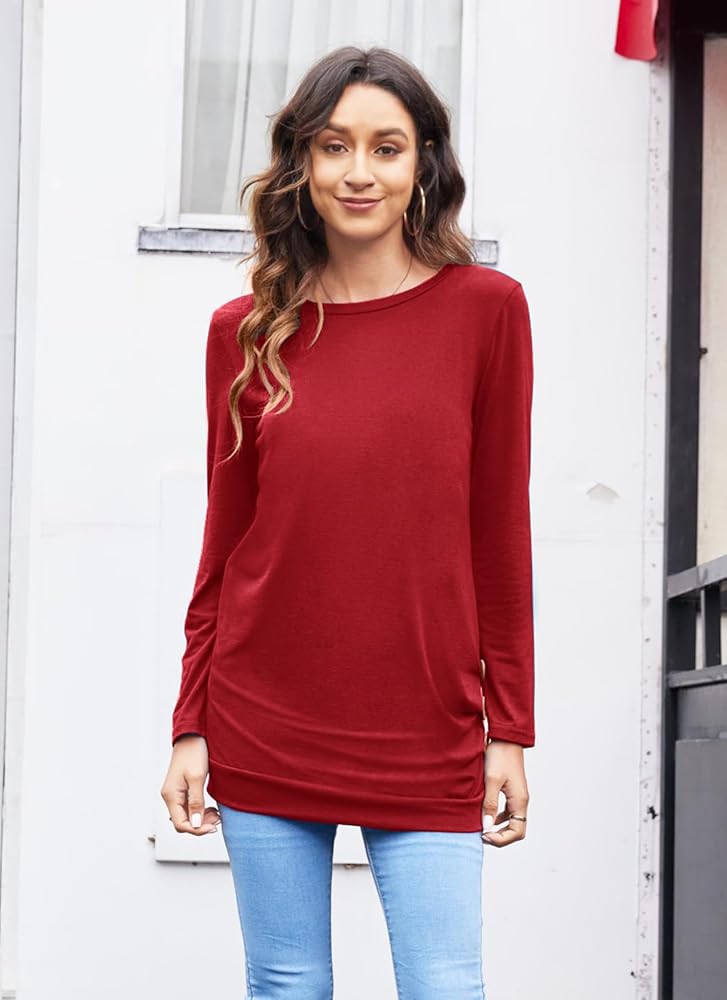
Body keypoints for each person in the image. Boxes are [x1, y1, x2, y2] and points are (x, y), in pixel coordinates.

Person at [160, 44, 535, 1000]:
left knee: (444, 983)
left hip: (427, 723)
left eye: (385, 147)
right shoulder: (246, 331)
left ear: (423, 165)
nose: (358, 172)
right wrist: (190, 721)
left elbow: (498, 534)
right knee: (286, 983)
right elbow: (225, 542)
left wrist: (508, 727)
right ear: (301, 162)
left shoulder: (487, 312)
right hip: (264, 717)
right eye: (333, 146)